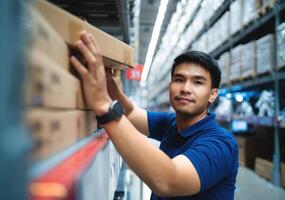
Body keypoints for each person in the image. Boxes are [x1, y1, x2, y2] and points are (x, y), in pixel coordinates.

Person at [70, 31, 238, 200]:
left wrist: (104, 106)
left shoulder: (221, 145)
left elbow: (168, 181)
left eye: (198, 82)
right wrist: (108, 82)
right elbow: (132, 113)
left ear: (212, 94)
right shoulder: (172, 123)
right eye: (179, 79)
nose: (185, 88)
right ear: (170, 85)